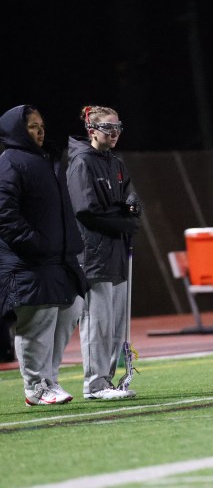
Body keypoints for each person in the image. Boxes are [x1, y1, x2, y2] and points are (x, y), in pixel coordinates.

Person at [0, 105, 88, 405]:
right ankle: (35, 387)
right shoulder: (10, 161)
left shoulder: (47, 159)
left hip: (58, 259)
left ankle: (48, 380)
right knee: (38, 322)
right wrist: (32, 243)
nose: (40, 131)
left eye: (41, 125)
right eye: (32, 126)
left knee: (71, 311)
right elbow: (4, 214)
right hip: (29, 262)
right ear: (15, 130)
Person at [67, 105, 141, 400]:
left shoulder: (115, 162)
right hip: (94, 254)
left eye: (117, 127)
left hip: (117, 252)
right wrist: (123, 219)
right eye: (108, 128)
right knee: (96, 322)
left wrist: (133, 204)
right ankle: (94, 384)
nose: (114, 133)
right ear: (92, 130)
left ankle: (107, 382)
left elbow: (128, 196)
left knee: (115, 323)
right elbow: (85, 210)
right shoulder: (82, 162)